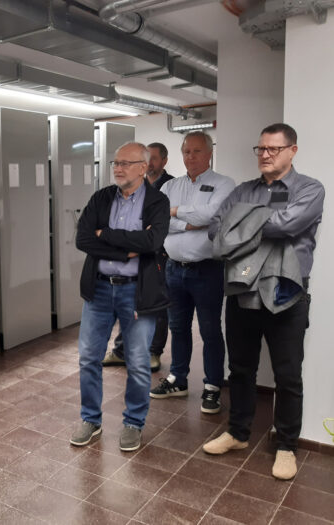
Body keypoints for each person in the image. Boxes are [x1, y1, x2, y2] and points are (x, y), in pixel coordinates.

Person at [204, 123, 324, 480]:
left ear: (292, 150)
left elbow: (287, 226)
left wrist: (241, 223)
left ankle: (286, 446)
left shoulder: (310, 189)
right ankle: (238, 433)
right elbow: (215, 230)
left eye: (273, 149)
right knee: (240, 369)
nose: (265, 155)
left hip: (286, 292)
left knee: (288, 375)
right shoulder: (243, 190)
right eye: (261, 149)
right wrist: (258, 222)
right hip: (242, 291)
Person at [71, 142, 169, 452]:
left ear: (143, 168)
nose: (118, 168)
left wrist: (106, 235)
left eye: (125, 163)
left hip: (136, 292)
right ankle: (91, 419)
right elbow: (83, 239)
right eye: (115, 163)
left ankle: (133, 423)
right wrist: (126, 250)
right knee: (89, 357)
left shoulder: (157, 201)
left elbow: (152, 241)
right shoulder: (101, 198)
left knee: (138, 363)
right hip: (99, 289)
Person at [148, 131, 235, 415]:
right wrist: (187, 221)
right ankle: (178, 379)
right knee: (178, 327)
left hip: (207, 270)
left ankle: (212, 386)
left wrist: (174, 212)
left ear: (209, 153)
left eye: (197, 151)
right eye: (186, 151)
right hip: (173, 269)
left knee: (210, 330)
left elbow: (212, 216)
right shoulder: (170, 185)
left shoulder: (224, 184)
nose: (191, 157)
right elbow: (156, 220)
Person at [103, 142, 174, 372]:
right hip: (131, 256)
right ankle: (121, 351)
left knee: (154, 305)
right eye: (147, 158)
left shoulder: (168, 186)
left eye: (154, 159)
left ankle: (153, 351)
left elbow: (161, 228)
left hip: (157, 256)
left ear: (164, 161)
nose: (149, 163)